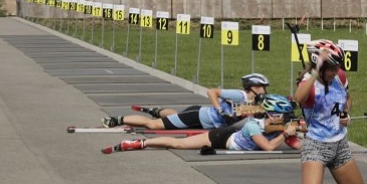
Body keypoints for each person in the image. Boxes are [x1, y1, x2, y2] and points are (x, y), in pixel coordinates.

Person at [230, 40, 366, 184]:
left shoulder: (339, 77)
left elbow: (347, 98)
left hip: (340, 145)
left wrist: (345, 114)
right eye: (331, 68)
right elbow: (298, 98)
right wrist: (315, 72)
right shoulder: (309, 85)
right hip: (316, 148)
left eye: (337, 67)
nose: (336, 71)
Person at [102, 94, 299, 154]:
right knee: (178, 143)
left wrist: (296, 134)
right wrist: (286, 133)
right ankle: (138, 143)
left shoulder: (274, 125)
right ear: (273, 115)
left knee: (175, 120)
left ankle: (157, 111)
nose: (286, 120)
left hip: (219, 128)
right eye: (284, 116)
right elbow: (268, 147)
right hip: (220, 137)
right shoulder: (254, 125)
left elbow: (298, 146)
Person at [101, 73, 272, 130]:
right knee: (154, 125)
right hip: (198, 116)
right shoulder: (239, 95)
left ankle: (156, 111)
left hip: (204, 122)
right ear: (252, 87)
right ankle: (117, 119)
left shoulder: (256, 104)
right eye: (261, 87)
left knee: (175, 117)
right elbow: (211, 92)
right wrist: (220, 110)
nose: (264, 90)